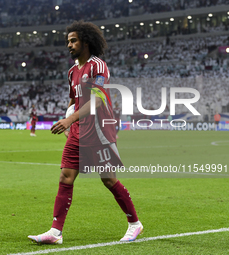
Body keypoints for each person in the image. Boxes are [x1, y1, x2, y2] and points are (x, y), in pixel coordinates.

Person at [28, 20, 143, 245]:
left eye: (73, 41)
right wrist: (69, 117)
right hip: (78, 130)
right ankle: (55, 232)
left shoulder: (98, 66)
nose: (69, 45)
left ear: (86, 42)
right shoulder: (72, 71)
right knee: (65, 176)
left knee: (108, 180)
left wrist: (68, 119)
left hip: (100, 131)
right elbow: (74, 98)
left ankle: (134, 223)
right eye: (67, 41)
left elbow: (97, 100)